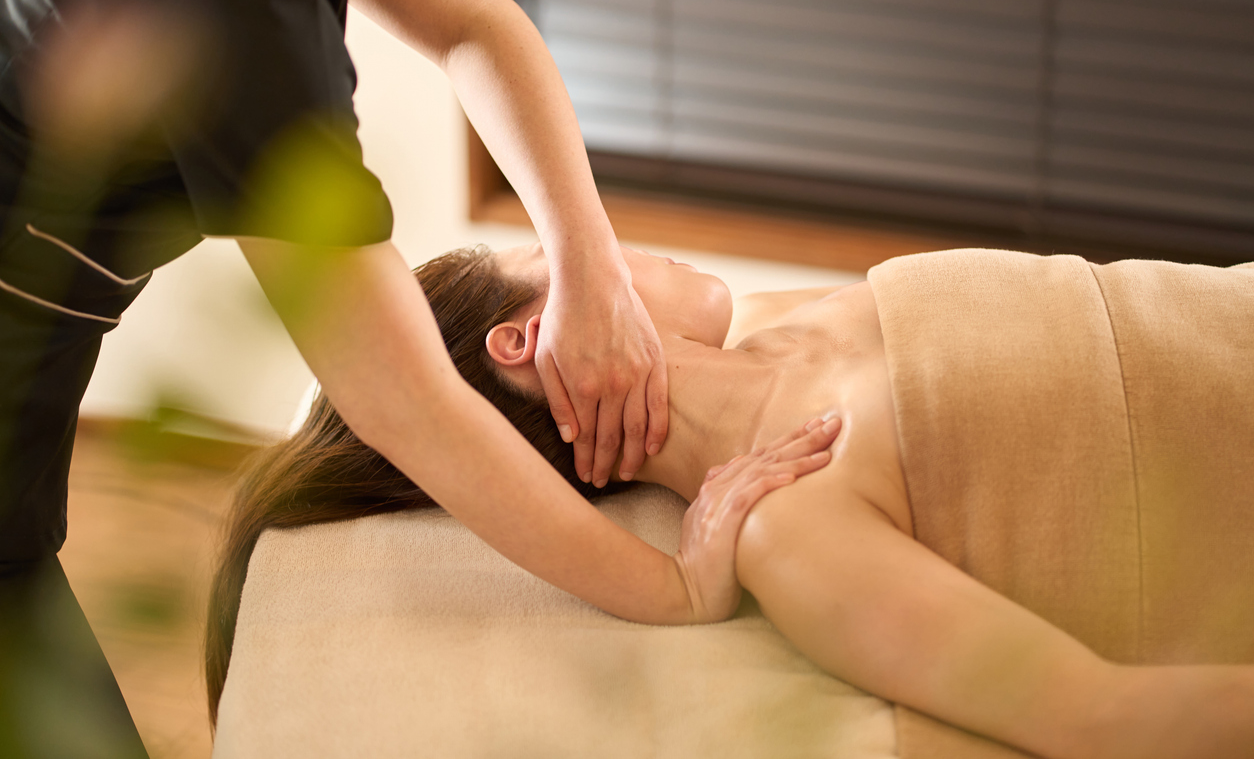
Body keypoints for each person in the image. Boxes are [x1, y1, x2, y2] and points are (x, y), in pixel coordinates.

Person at [0, 0, 825, 753]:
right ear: (522, 341)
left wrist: (588, 260)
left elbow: (472, 24)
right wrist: (675, 589)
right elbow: (403, 398)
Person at [208, 242, 1254, 758]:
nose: (602, 236)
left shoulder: (800, 319)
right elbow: (1098, 715)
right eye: (557, 247)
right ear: (528, 342)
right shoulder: (792, 531)